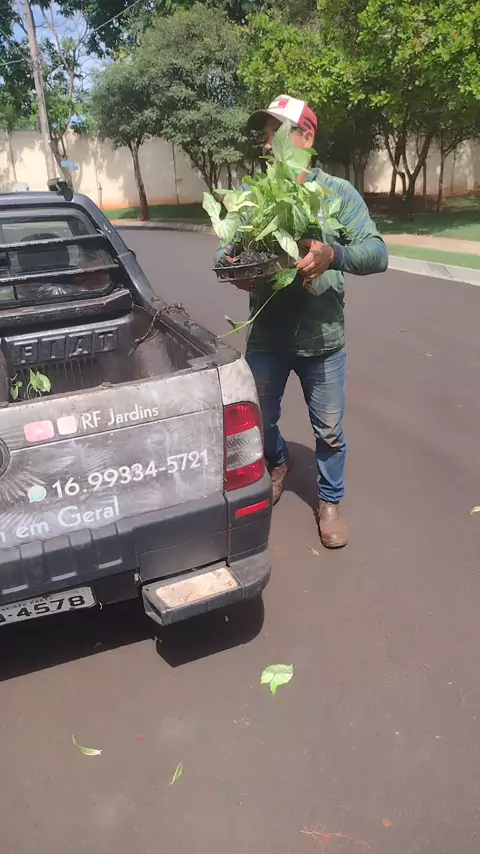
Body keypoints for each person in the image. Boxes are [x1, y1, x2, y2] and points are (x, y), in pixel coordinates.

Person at [219, 94, 388, 548]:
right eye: (265, 135)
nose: (266, 144)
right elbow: (225, 249)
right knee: (259, 420)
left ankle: (329, 501)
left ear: (306, 137)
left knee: (328, 430)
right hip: (267, 338)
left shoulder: (337, 193)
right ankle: (278, 463)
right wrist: (235, 267)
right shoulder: (256, 197)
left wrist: (334, 254)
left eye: (275, 133)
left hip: (323, 341)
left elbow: (378, 253)